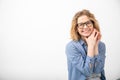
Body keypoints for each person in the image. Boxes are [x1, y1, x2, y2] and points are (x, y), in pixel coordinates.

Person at [65, 9, 106, 80]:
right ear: (76, 28)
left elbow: (97, 71)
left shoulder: (101, 45)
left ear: (93, 24)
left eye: (88, 23)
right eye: (81, 24)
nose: (85, 27)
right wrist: (91, 46)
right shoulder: (71, 47)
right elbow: (87, 72)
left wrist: (95, 46)